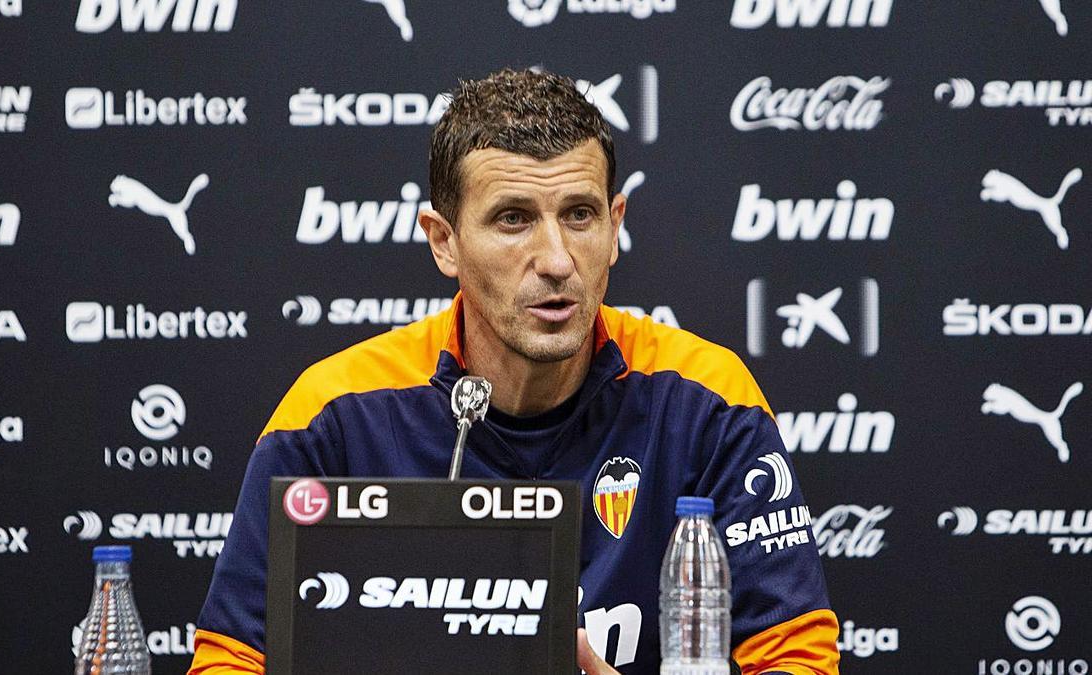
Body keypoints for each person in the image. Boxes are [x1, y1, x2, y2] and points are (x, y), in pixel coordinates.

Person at [189, 68, 839, 674]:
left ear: (615, 226)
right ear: (443, 240)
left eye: (579, 215)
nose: (556, 259)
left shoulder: (708, 398)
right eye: (513, 219)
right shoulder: (334, 411)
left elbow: (799, 655)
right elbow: (230, 658)